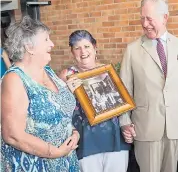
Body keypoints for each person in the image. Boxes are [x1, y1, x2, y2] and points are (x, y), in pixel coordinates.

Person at [119, 0, 178, 172]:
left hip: (175, 126)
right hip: (145, 127)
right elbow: (124, 91)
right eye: (142, 19)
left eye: (149, 19)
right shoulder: (132, 50)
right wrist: (124, 121)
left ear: (165, 17)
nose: (145, 24)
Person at [1, 16, 80, 171]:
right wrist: (54, 152)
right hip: (34, 165)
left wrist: (74, 133)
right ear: (29, 47)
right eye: (46, 40)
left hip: (66, 161)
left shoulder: (49, 72)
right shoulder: (15, 79)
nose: (52, 44)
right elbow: (12, 134)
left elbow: (60, 113)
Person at [59, 30, 130, 172]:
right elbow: (58, 107)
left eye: (86, 46)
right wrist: (66, 91)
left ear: (94, 47)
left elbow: (122, 104)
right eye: (77, 48)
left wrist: (126, 125)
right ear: (72, 52)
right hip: (85, 140)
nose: (82, 52)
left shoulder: (108, 71)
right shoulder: (67, 75)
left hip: (114, 138)